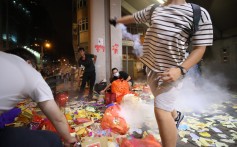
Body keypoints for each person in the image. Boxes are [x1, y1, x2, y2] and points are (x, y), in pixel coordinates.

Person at [110, 0, 213, 146]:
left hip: (173, 71)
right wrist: (116, 21)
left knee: (161, 110)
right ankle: (176, 116)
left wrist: (180, 70)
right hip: (151, 67)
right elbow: (134, 17)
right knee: (160, 101)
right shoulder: (155, 9)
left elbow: (200, 48)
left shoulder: (199, 14)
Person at [0, 49, 77, 147]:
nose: (36, 71)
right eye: (35, 67)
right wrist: (69, 139)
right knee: (53, 139)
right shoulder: (30, 72)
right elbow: (58, 118)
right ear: (29, 63)